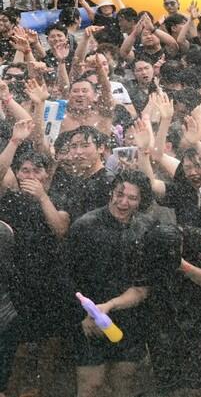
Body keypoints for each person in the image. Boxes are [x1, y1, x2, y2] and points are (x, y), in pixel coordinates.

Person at [66, 169, 153, 397]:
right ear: (110, 193)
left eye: (132, 198)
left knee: (124, 383)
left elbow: (143, 286)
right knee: (90, 385)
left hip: (129, 316)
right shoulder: (85, 226)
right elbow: (66, 276)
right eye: (119, 194)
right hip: (88, 316)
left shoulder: (145, 229)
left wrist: (110, 307)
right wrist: (82, 314)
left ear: (141, 201)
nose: (123, 202)